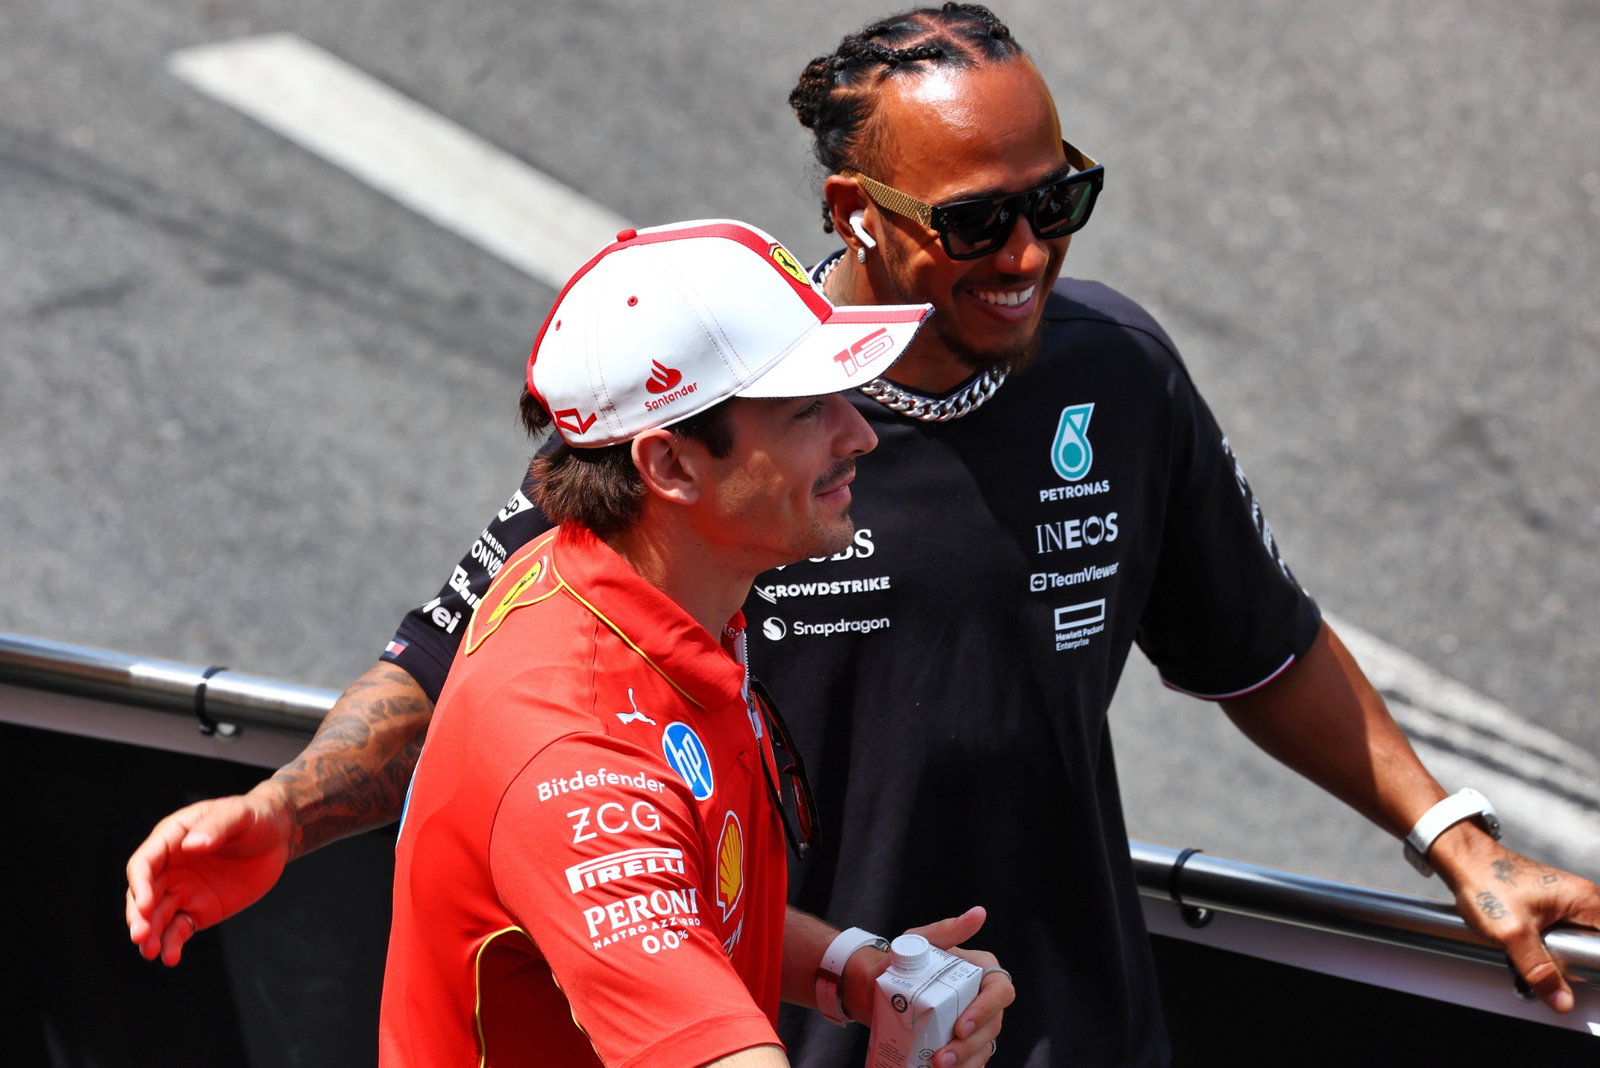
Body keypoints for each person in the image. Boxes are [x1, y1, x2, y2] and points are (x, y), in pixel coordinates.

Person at [127, 5, 1600, 1065]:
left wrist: (1450, 836)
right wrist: (287, 814)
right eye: (979, 224)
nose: (1029, 253)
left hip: (1037, 1022)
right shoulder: (710, 422)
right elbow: (463, 670)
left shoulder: (1112, 374)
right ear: (863, 214)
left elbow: (1252, 635)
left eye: (1059, 200)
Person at [377, 217, 1010, 1066]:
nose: (859, 435)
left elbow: (679, 896)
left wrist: (852, 972)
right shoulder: (581, 763)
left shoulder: (603, 583)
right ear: (669, 466)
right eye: (806, 411)